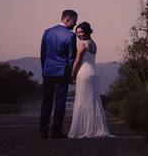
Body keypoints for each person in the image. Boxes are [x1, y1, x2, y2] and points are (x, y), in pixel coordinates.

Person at [67, 21, 112, 138]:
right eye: (77, 33)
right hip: (93, 72)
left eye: (80, 32)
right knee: (93, 100)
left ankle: (83, 129)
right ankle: (94, 128)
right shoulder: (93, 43)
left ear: (86, 32)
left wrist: (72, 75)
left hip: (85, 73)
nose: (78, 35)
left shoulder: (83, 44)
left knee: (82, 101)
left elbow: (77, 62)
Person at [40, 9, 77, 138]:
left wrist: (44, 69)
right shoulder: (70, 36)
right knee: (60, 102)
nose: (74, 25)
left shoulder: (47, 32)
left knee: (46, 101)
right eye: (74, 22)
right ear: (67, 19)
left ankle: (42, 131)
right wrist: (72, 75)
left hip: (47, 71)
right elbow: (71, 58)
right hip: (62, 73)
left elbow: (43, 53)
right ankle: (56, 131)